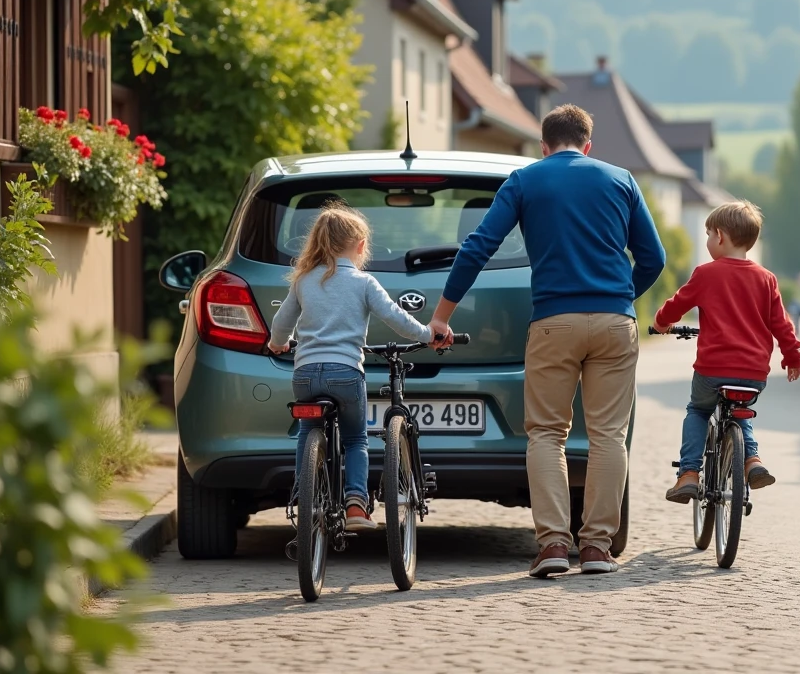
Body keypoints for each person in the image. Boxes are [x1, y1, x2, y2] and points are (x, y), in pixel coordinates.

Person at [428, 104, 666, 578]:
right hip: (615, 322)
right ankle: (596, 548)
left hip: (554, 322)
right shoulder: (621, 180)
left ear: (544, 145)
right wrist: (619, 298)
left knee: (547, 433)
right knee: (607, 436)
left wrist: (442, 315)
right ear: (588, 143)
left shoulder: (525, 180)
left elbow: (478, 246)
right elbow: (654, 259)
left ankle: (554, 544)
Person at [268, 204, 432, 531]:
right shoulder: (363, 282)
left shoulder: (304, 281)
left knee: (306, 431)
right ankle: (356, 503)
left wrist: (277, 343)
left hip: (305, 374)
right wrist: (428, 335)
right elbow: (396, 318)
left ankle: (304, 497)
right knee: (356, 438)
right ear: (359, 246)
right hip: (345, 373)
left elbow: (282, 323)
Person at [653, 200, 800, 503]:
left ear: (720, 236)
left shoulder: (706, 274)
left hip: (712, 369)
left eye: (708, 234)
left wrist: (660, 324)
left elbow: (677, 305)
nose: (707, 240)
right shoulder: (766, 279)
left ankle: (689, 473)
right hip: (753, 373)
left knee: (697, 410)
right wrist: (792, 357)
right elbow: (782, 325)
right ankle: (752, 461)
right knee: (740, 413)